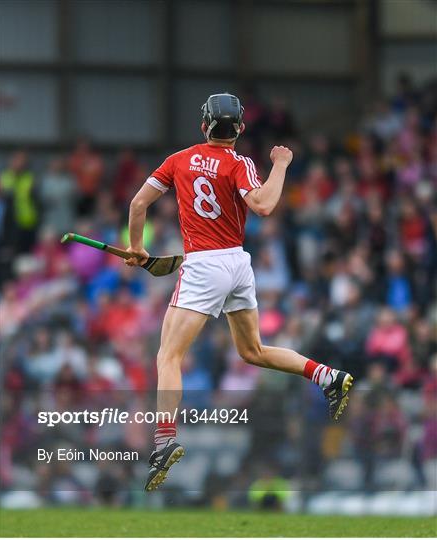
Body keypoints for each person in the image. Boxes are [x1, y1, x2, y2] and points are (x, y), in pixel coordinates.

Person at [126, 93, 353, 491]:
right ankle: (328, 376)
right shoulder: (239, 163)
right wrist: (280, 164)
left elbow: (138, 204)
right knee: (253, 352)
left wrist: (136, 248)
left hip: (203, 264)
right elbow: (263, 205)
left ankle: (163, 439)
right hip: (236, 263)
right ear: (240, 129)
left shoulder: (177, 160)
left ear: (203, 126)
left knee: (168, 355)